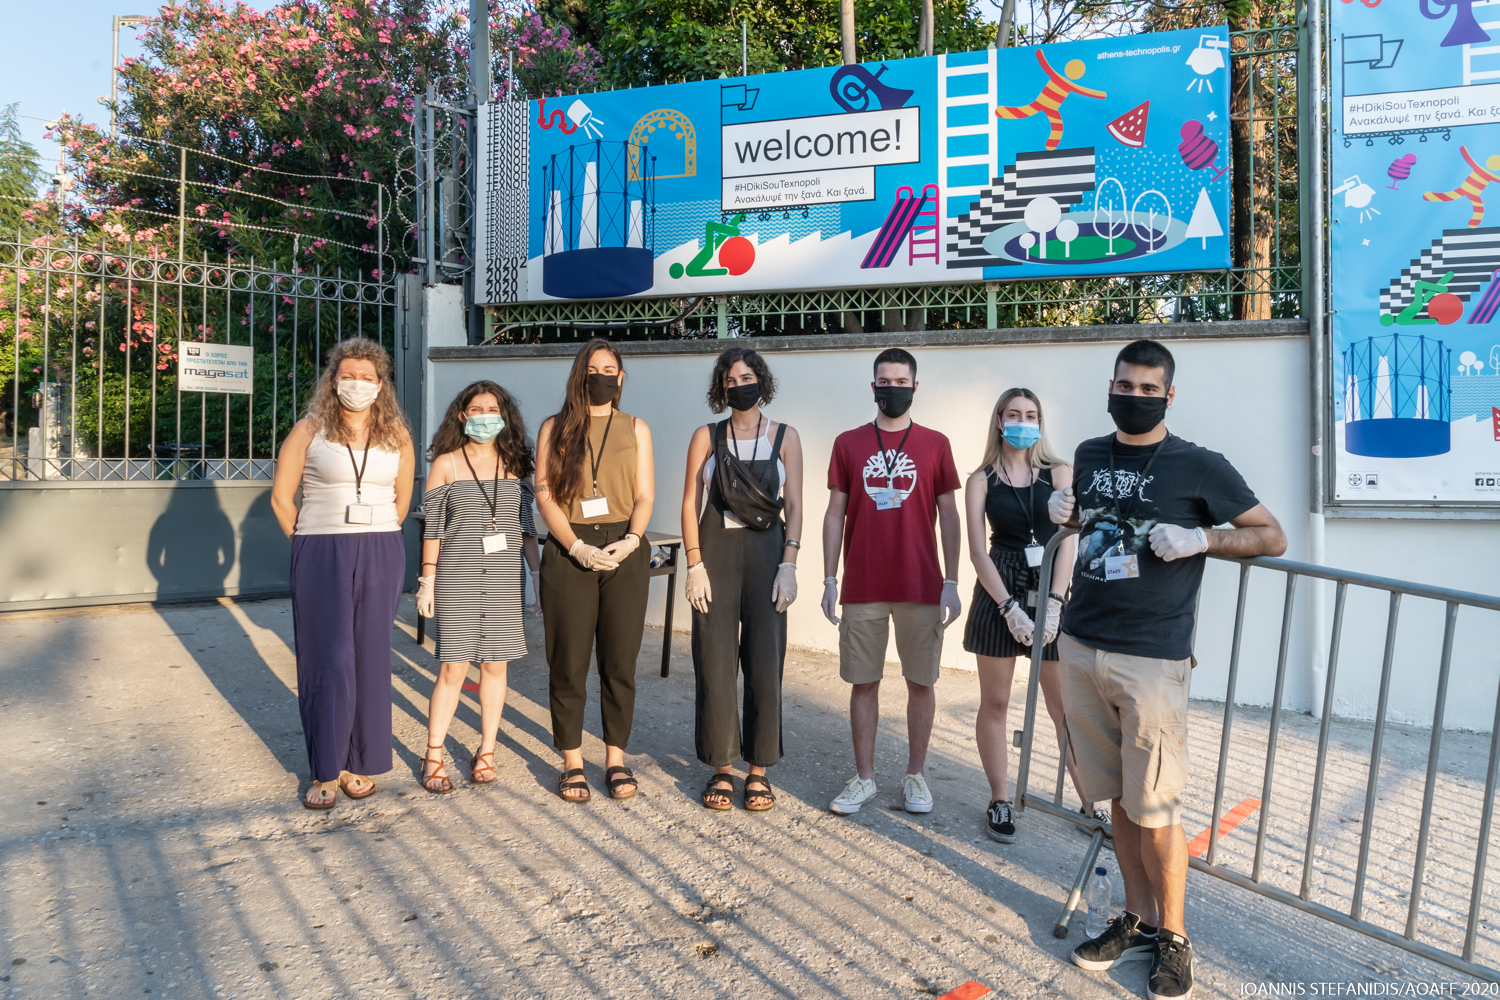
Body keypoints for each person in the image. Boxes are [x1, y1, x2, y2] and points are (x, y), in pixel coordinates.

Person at [1048, 339, 1285, 1000]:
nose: (1135, 397)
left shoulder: (1199, 465)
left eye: (1149, 389)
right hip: (1083, 645)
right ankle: (1137, 919)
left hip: (1151, 660)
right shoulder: (1089, 454)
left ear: (1169, 396)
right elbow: (1090, 525)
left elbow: (1271, 535)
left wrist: (1202, 539)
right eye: (1125, 385)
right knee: (1118, 800)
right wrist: (1063, 514)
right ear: (1111, 386)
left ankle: (1175, 937)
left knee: (1156, 808)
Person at [270, 337, 416, 810]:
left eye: (366, 377)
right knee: (328, 658)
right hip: (320, 546)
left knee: (370, 657)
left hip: (380, 546)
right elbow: (281, 498)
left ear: (380, 385)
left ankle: (360, 762)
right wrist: (307, 544)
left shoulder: (396, 433)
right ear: (333, 381)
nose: (357, 384)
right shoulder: (309, 429)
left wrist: (379, 534)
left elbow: (402, 498)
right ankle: (326, 769)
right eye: (348, 376)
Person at [821, 348, 963, 816]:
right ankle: (864, 778)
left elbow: (949, 515)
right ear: (873, 386)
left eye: (901, 382)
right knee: (864, 683)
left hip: (921, 584)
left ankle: (915, 775)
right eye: (885, 381)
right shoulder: (848, 443)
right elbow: (835, 514)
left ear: (915, 387)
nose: (893, 389)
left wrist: (952, 580)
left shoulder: (936, 444)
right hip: (862, 583)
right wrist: (829, 578)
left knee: (921, 682)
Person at [961, 388, 1101, 845]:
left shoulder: (1059, 471)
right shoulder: (981, 479)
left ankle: (1091, 804)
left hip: (1050, 584)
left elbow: (1069, 539)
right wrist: (1008, 609)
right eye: (1015, 414)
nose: (1024, 422)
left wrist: (1055, 602)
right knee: (996, 703)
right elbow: (978, 552)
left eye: (1032, 415)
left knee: (1064, 708)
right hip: (999, 586)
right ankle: (1000, 800)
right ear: (999, 420)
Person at [680, 348, 804, 812]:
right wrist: (694, 563)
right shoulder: (706, 436)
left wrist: (789, 564)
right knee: (714, 663)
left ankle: (758, 770)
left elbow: (796, 504)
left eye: (746, 377)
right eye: (730, 380)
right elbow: (690, 503)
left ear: (762, 381)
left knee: (765, 663)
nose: (739, 386)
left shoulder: (786, 436)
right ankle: (722, 766)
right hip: (715, 554)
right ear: (721, 388)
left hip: (768, 556)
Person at [535, 338, 655, 803]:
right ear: (579, 375)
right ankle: (571, 761)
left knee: (619, 662)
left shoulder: (637, 427)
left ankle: (615, 759)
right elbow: (544, 493)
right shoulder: (554, 427)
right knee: (568, 661)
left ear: (620, 378)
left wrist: (633, 539)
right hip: (571, 547)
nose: (601, 377)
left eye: (609, 370)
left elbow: (644, 494)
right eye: (592, 370)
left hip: (624, 546)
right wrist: (576, 547)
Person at [415, 381, 541, 793]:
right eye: (477, 409)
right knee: (453, 668)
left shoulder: (518, 465)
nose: (485, 416)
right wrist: (427, 580)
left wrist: (537, 577)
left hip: (504, 579)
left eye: (492, 409)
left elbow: (526, 527)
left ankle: (486, 750)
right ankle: (434, 753)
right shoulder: (447, 464)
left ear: (504, 416)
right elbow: (433, 528)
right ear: (462, 415)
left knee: (495, 666)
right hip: (457, 576)